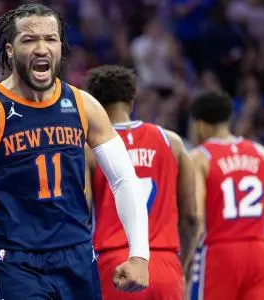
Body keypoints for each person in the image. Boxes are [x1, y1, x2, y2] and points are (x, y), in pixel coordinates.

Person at [0, 4, 149, 300]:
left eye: (50, 39)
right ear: (9, 50)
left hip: (76, 255)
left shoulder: (84, 106)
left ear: (60, 47)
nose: (42, 47)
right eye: (29, 40)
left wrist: (140, 255)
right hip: (12, 260)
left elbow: (123, 180)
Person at [84, 65, 201, 300]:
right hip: (165, 264)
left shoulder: (89, 149)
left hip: (114, 265)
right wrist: (183, 266)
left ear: (94, 103)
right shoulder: (173, 142)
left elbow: (81, 213)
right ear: (131, 100)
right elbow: (191, 216)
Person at [188, 90, 264, 300]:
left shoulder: (200, 157)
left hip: (220, 253)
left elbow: (194, 217)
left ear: (199, 124)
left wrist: (184, 261)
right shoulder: (261, 152)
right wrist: (261, 248)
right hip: (260, 254)